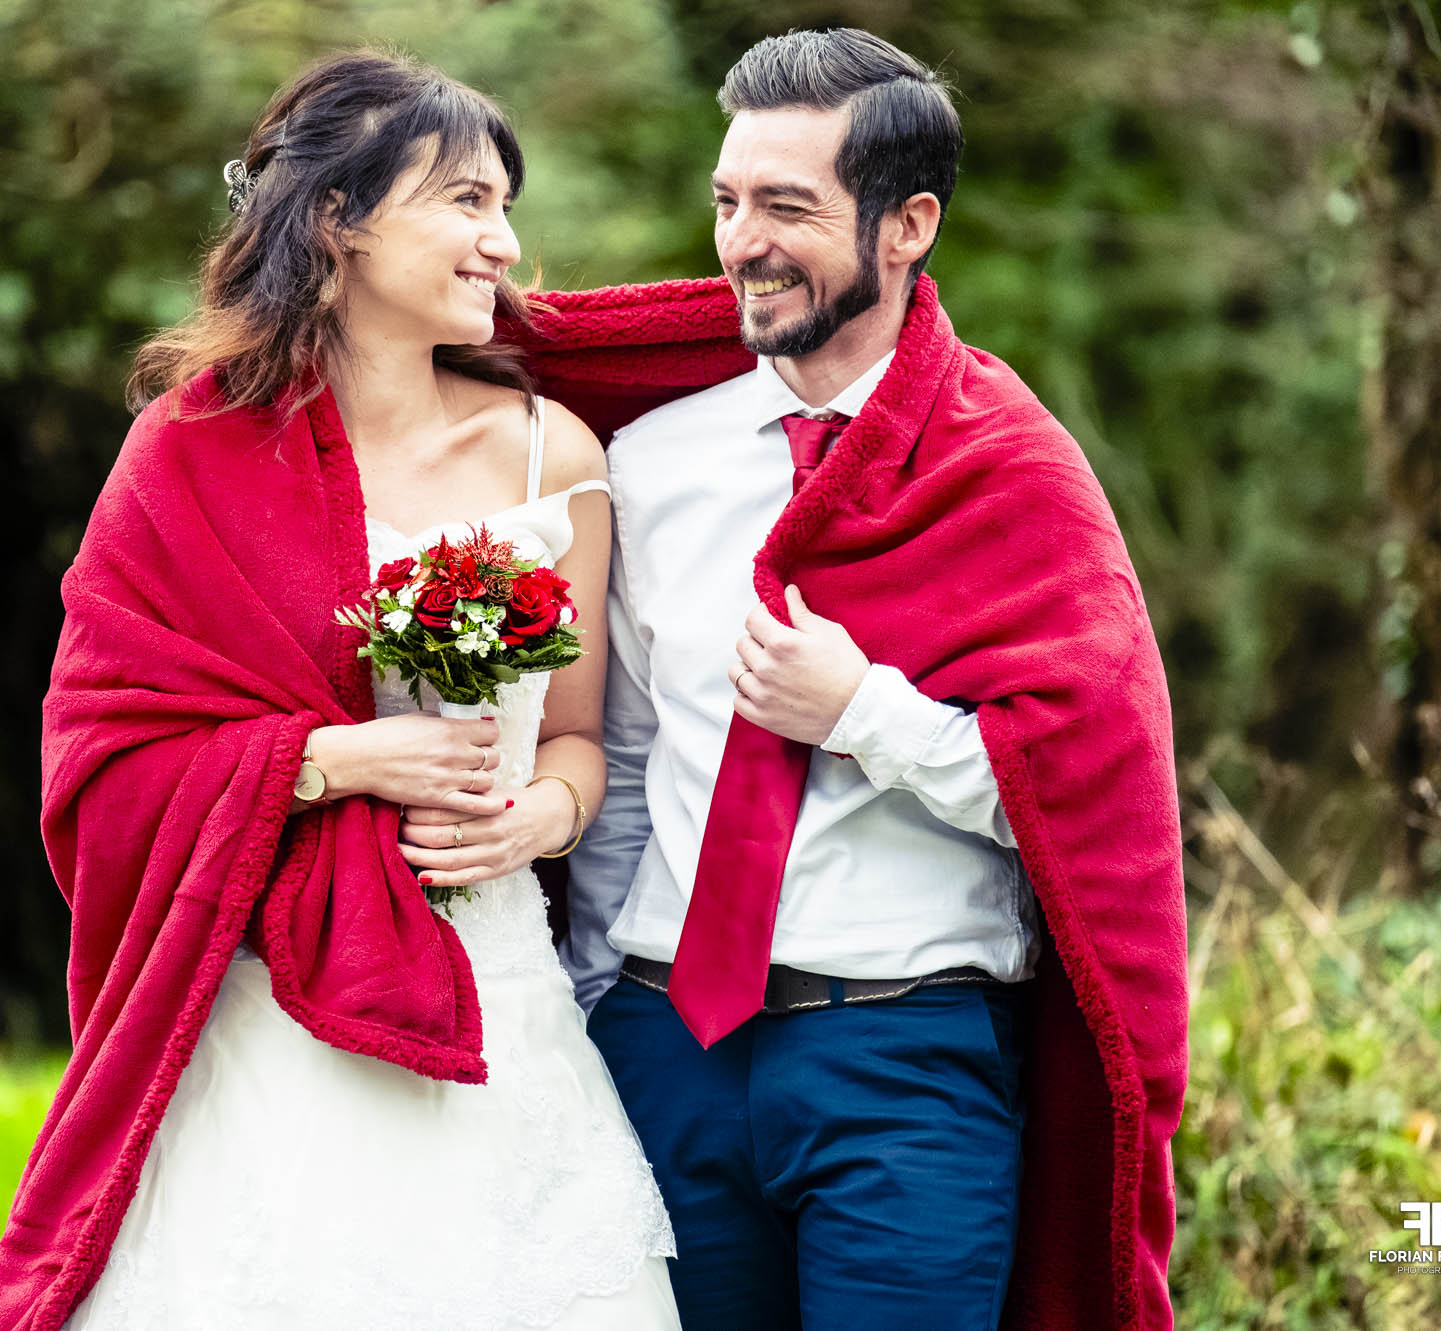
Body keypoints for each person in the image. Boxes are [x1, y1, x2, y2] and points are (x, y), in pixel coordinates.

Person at [0, 51, 679, 1331]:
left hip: (502, 1008)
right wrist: (337, 760)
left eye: (505, 207)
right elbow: (101, 748)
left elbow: (579, 737)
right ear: (339, 217)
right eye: (465, 201)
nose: (504, 242)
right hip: (268, 1018)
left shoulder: (548, 452)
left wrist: (541, 818)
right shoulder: (189, 450)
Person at [542, 28, 1190, 1331]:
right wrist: (597, 1002)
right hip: (666, 1044)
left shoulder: (1008, 469)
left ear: (908, 226)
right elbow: (628, 759)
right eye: (727, 201)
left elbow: (1087, 804)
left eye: (787, 208)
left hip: (903, 1063)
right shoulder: (652, 461)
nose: (742, 243)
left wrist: (863, 715)